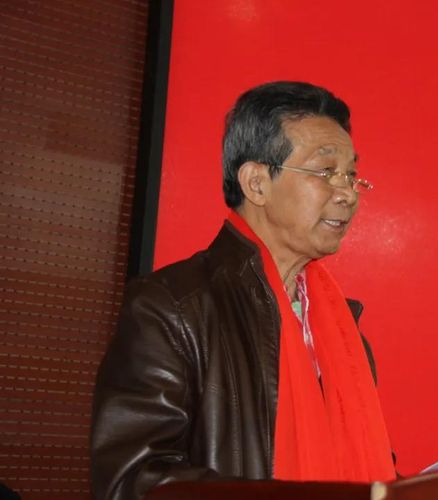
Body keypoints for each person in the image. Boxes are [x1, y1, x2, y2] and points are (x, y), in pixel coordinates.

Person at [90, 81, 397, 500]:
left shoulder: (344, 332)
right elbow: (132, 480)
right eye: (326, 172)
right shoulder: (172, 307)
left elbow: (365, 467)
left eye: (351, 175)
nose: (347, 194)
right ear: (256, 183)